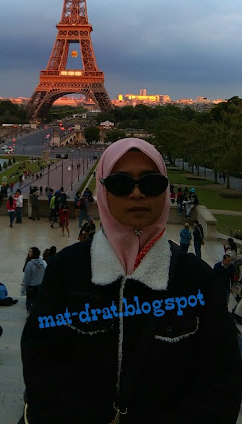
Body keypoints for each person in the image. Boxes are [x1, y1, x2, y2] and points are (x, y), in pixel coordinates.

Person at [21, 138, 242, 424]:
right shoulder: (64, 270)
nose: (136, 194)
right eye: (121, 183)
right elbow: (42, 364)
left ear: (165, 192)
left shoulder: (197, 277)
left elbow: (220, 380)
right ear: (102, 190)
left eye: (150, 183)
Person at [21, 247, 47, 312]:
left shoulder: (29, 264)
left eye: (30, 252)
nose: (28, 253)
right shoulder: (42, 262)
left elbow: (26, 278)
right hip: (39, 285)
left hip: (31, 287)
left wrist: (23, 289)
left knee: (29, 302)